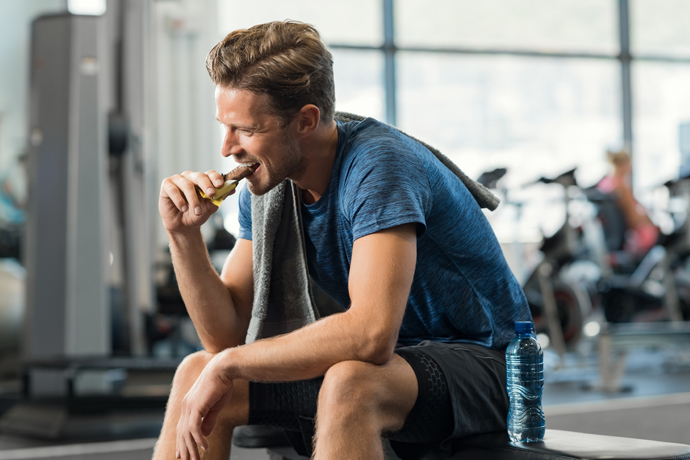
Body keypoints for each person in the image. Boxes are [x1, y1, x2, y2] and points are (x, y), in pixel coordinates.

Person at [154, 20, 530, 460]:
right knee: (194, 371)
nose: (227, 148)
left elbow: (370, 336)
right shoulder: (266, 183)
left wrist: (230, 363)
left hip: (492, 363)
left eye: (247, 130)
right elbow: (225, 337)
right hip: (396, 363)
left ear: (305, 121)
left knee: (351, 383)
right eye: (225, 126)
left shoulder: (379, 166)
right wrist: (183, 235)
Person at [597, 149, 659, 256]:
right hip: (630, 238)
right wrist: (651, 223)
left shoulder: (604, 183)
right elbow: (633, 220)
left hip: (610, 238)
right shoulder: (621, 187)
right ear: (624, 164)